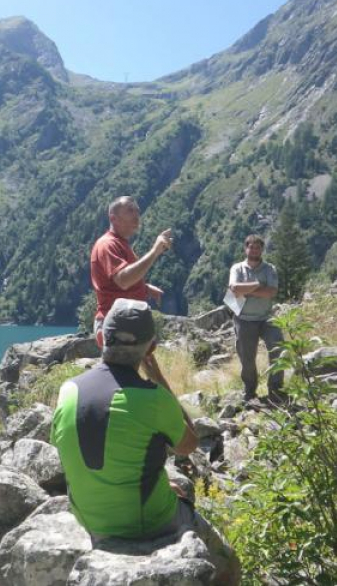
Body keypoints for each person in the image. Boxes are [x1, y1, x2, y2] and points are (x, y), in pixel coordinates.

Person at [51, 298, 240, 584]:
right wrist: (160, 378)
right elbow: (188, 445)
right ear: (151, 348)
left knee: (169, 483)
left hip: (90, 520)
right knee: (228, 562)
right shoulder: (152, 398)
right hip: (146, 524)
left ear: (101, 337)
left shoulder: (68, 391)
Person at [90, 196, 172, 347]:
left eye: (137, 211)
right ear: (113, 218)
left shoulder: (121, 244)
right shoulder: (107, 245)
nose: (136, 215)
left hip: (129, 321)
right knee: (123, 368)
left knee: (141, 363)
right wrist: (155, 251)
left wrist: (145, 288)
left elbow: (117, 282)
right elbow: (123, 280)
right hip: (116, 322)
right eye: (130, 210)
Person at [228, 234, 285, 404]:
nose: (254, 250)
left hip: (266, 318)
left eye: (258, 247)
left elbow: (272, 292)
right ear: (246, 248)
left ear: (262, 250)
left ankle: (276, 389)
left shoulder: (270, 269)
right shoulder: (237, 268)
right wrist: (258, 286)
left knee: (278, 350)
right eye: (251, 247)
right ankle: (250, 391)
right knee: (247, 358)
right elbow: (234, 288)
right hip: (243, 319)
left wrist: (246, 290)